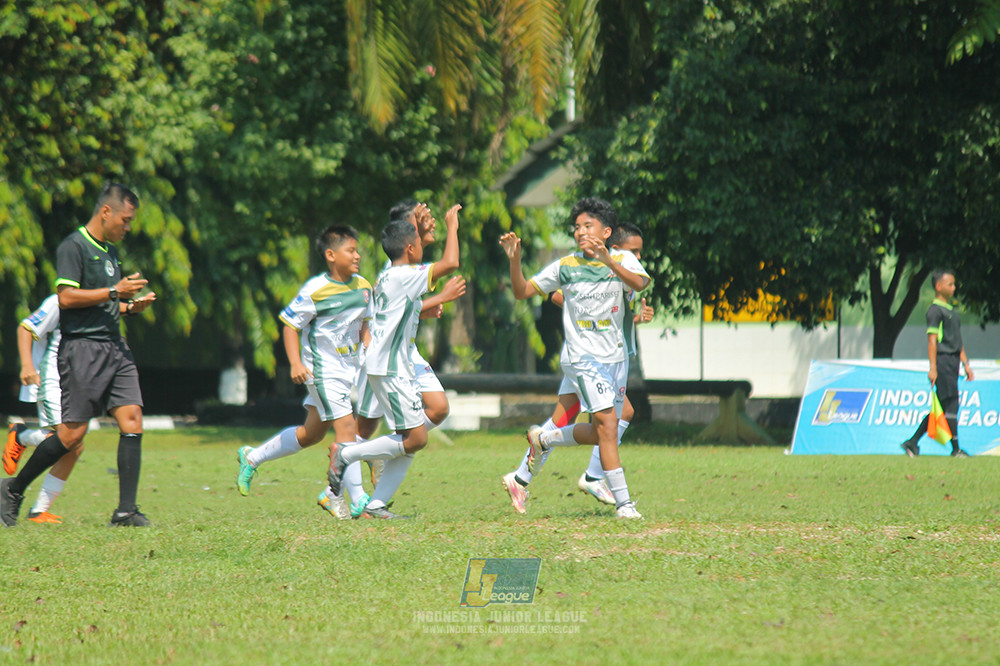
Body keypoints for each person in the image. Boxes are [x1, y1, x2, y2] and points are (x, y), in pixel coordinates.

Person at [0, 182, 156, 528]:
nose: (128, 227)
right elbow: (67, 299)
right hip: (82, 350)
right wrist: (115, 291)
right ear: (106, 212)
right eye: (126, 220)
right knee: (71, 436)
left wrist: (129, 307)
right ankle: (13, 489)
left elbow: (104, 304)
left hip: (115, 346)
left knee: (132, 420)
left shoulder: (110, 252)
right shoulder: (74, 246)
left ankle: (125, 511)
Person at [499, 197, 649, 519]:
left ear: (607, 231)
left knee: (599, 429)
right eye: (577, 227)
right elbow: (523, 291)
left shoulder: (622, 259)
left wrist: (611, 263)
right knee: (609, 424)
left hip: (615, 360)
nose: (581, 232)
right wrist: (515, 261)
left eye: (588, 226)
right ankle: (623, 504)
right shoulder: (565, 266)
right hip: (583, 359)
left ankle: (542, 443)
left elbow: (639, 283)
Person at [321, 200, 464, 520]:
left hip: (390, 363)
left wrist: (432, 303)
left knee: (412, 439)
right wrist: (453, 226)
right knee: (413, 437)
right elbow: (451, 262)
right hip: (391, 365)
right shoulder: (402, 275)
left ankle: (375, 503)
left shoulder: (394, 274)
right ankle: (347, 455)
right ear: (410, 247)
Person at [236, 225, 372, 521]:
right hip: (322, 372)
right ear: (331, 255)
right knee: (347, 429)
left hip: (349, 372)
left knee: (311, 434)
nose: (358, 255)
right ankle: (358, 500)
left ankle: (252, 457)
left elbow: (364, 324)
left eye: (357, 249)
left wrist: (368, 346)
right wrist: (296, 364)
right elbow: (289, 325)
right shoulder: (314, 290)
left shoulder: (364, 286)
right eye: (351, 250)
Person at [4, 295, 82, 524]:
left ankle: (39, 511)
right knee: (67, 438)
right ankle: (22, 436)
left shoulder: (93, 301)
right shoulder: (60, 300)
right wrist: (27, 365)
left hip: (72, 383)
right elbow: (25, 327)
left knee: (74, 445)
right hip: (51, 380)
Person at [901, 268, 974, 458]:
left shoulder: (952, 311)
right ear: (938, 286)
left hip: (953, 361)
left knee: (943, 406)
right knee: (950, 404)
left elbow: (957, 341)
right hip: (943, 361)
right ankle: (956, 449)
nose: (954, 287)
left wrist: (965, 363)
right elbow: (932, 340)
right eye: (950, 284)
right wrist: (933, 367)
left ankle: (912, 442)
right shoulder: (935, 311)